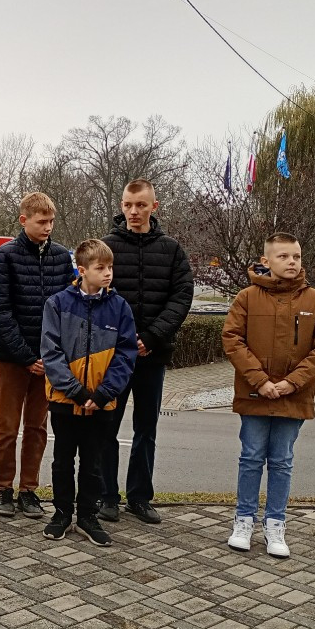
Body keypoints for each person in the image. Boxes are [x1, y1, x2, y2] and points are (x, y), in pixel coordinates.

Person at [221, 232, 315, 558]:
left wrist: (292, 383)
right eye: (284, 256)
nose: (292, 262)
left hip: (292, 397)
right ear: (267, 260)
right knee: (252, 457)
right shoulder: (247, 297)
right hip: (255, 395)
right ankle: (243, 520)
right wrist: (260, 381)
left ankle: (275, 524)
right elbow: (232, 339)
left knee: (282, 461)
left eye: (296, 257)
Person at [98, 179, 193, 525]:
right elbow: (92, 295)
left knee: (146, 429)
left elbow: (181, 297)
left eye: (140, 205)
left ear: (154, 206)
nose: (133, 211)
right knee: (107, 426)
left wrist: (151, 336)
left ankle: (139, 496)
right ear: (121, 206)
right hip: (114, 356)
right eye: (128, 205)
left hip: (153, 354)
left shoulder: (171, 250)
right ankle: (107, 496)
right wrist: (123, 339)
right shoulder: (105, 247)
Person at [40, 240, 138, 545]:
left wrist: (105, 392)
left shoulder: (119, 307)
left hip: (102, 402)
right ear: (82, 270)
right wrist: (77, 392)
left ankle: (87, 516)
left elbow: (125, 353)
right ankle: (61, 514)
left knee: (94, 461)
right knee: (62, 459)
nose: (108, 273)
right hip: (65, 400)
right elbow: (51, 352)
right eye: (101, 268)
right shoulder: (57, 304)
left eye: (110, 267)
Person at [0, 192, 74, 518]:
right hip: (12, 358)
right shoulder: (4, 258)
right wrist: (26, 356)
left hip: (49, 360)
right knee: (8, 426)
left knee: (37, 427)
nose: (48, 227)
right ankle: (3, 489)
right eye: (42, 221)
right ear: (24, 221)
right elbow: (1, 312)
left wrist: (51, 355)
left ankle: (29, 490)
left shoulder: (62, 258)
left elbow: (69, 309)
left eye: (51, 221)